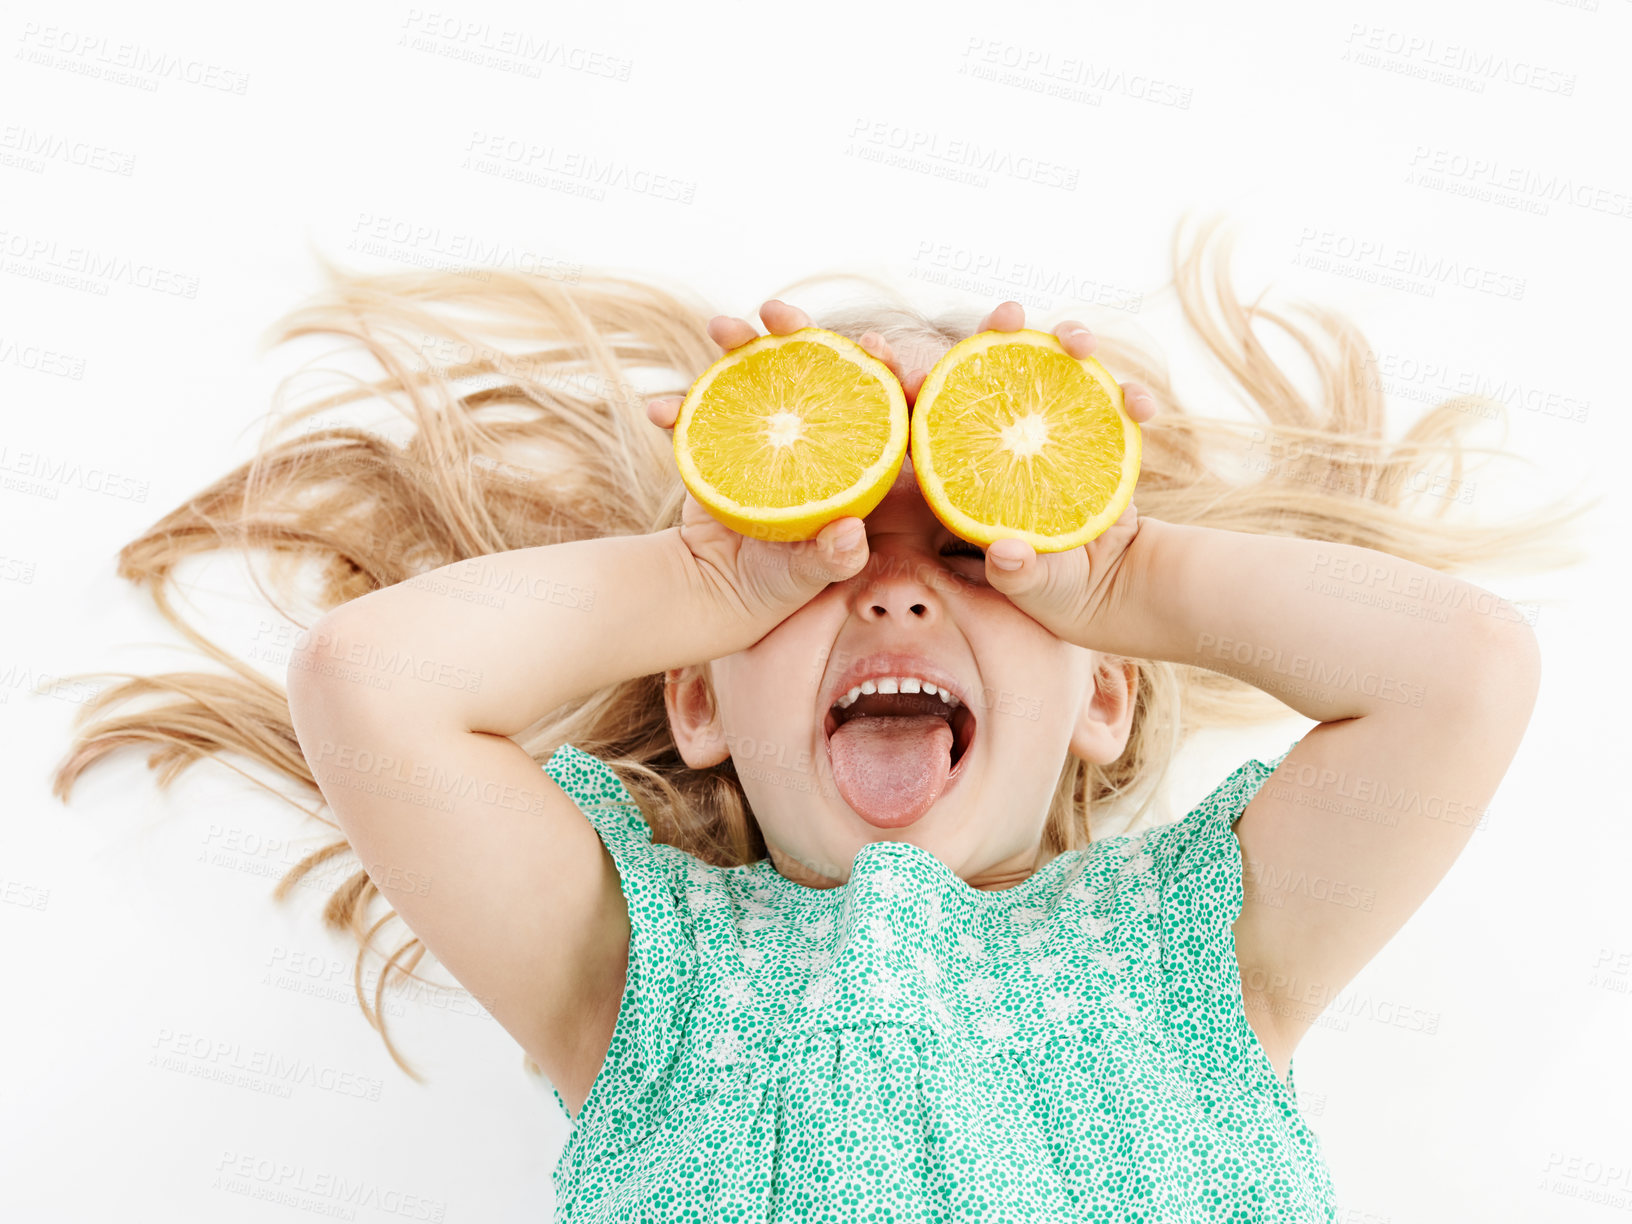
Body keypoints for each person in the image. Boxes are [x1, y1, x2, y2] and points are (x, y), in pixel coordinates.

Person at [53, 217, 1589, 1221]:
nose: (890, 589)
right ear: (702, 692)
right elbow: (366, 680)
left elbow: (1461, 671)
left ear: (1107, 686)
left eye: (974, 553)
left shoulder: (1201, 951)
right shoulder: (637, 976)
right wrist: (715, 555)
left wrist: (1113, 554)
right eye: (831, 545)